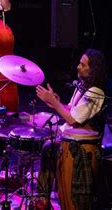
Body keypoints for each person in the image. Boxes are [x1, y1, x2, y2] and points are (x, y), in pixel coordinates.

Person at [36, 49, 108, 209]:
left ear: (93, 69)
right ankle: (42, 200)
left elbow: (72, 119)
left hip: (80, 150)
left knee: (74, 200)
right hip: (67, 143)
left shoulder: (96, 92)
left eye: (82, 65)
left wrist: (55, 104)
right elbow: (71, 110)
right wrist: (56, 101)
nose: (78, 67)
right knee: (48, 148)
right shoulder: (82, 87)